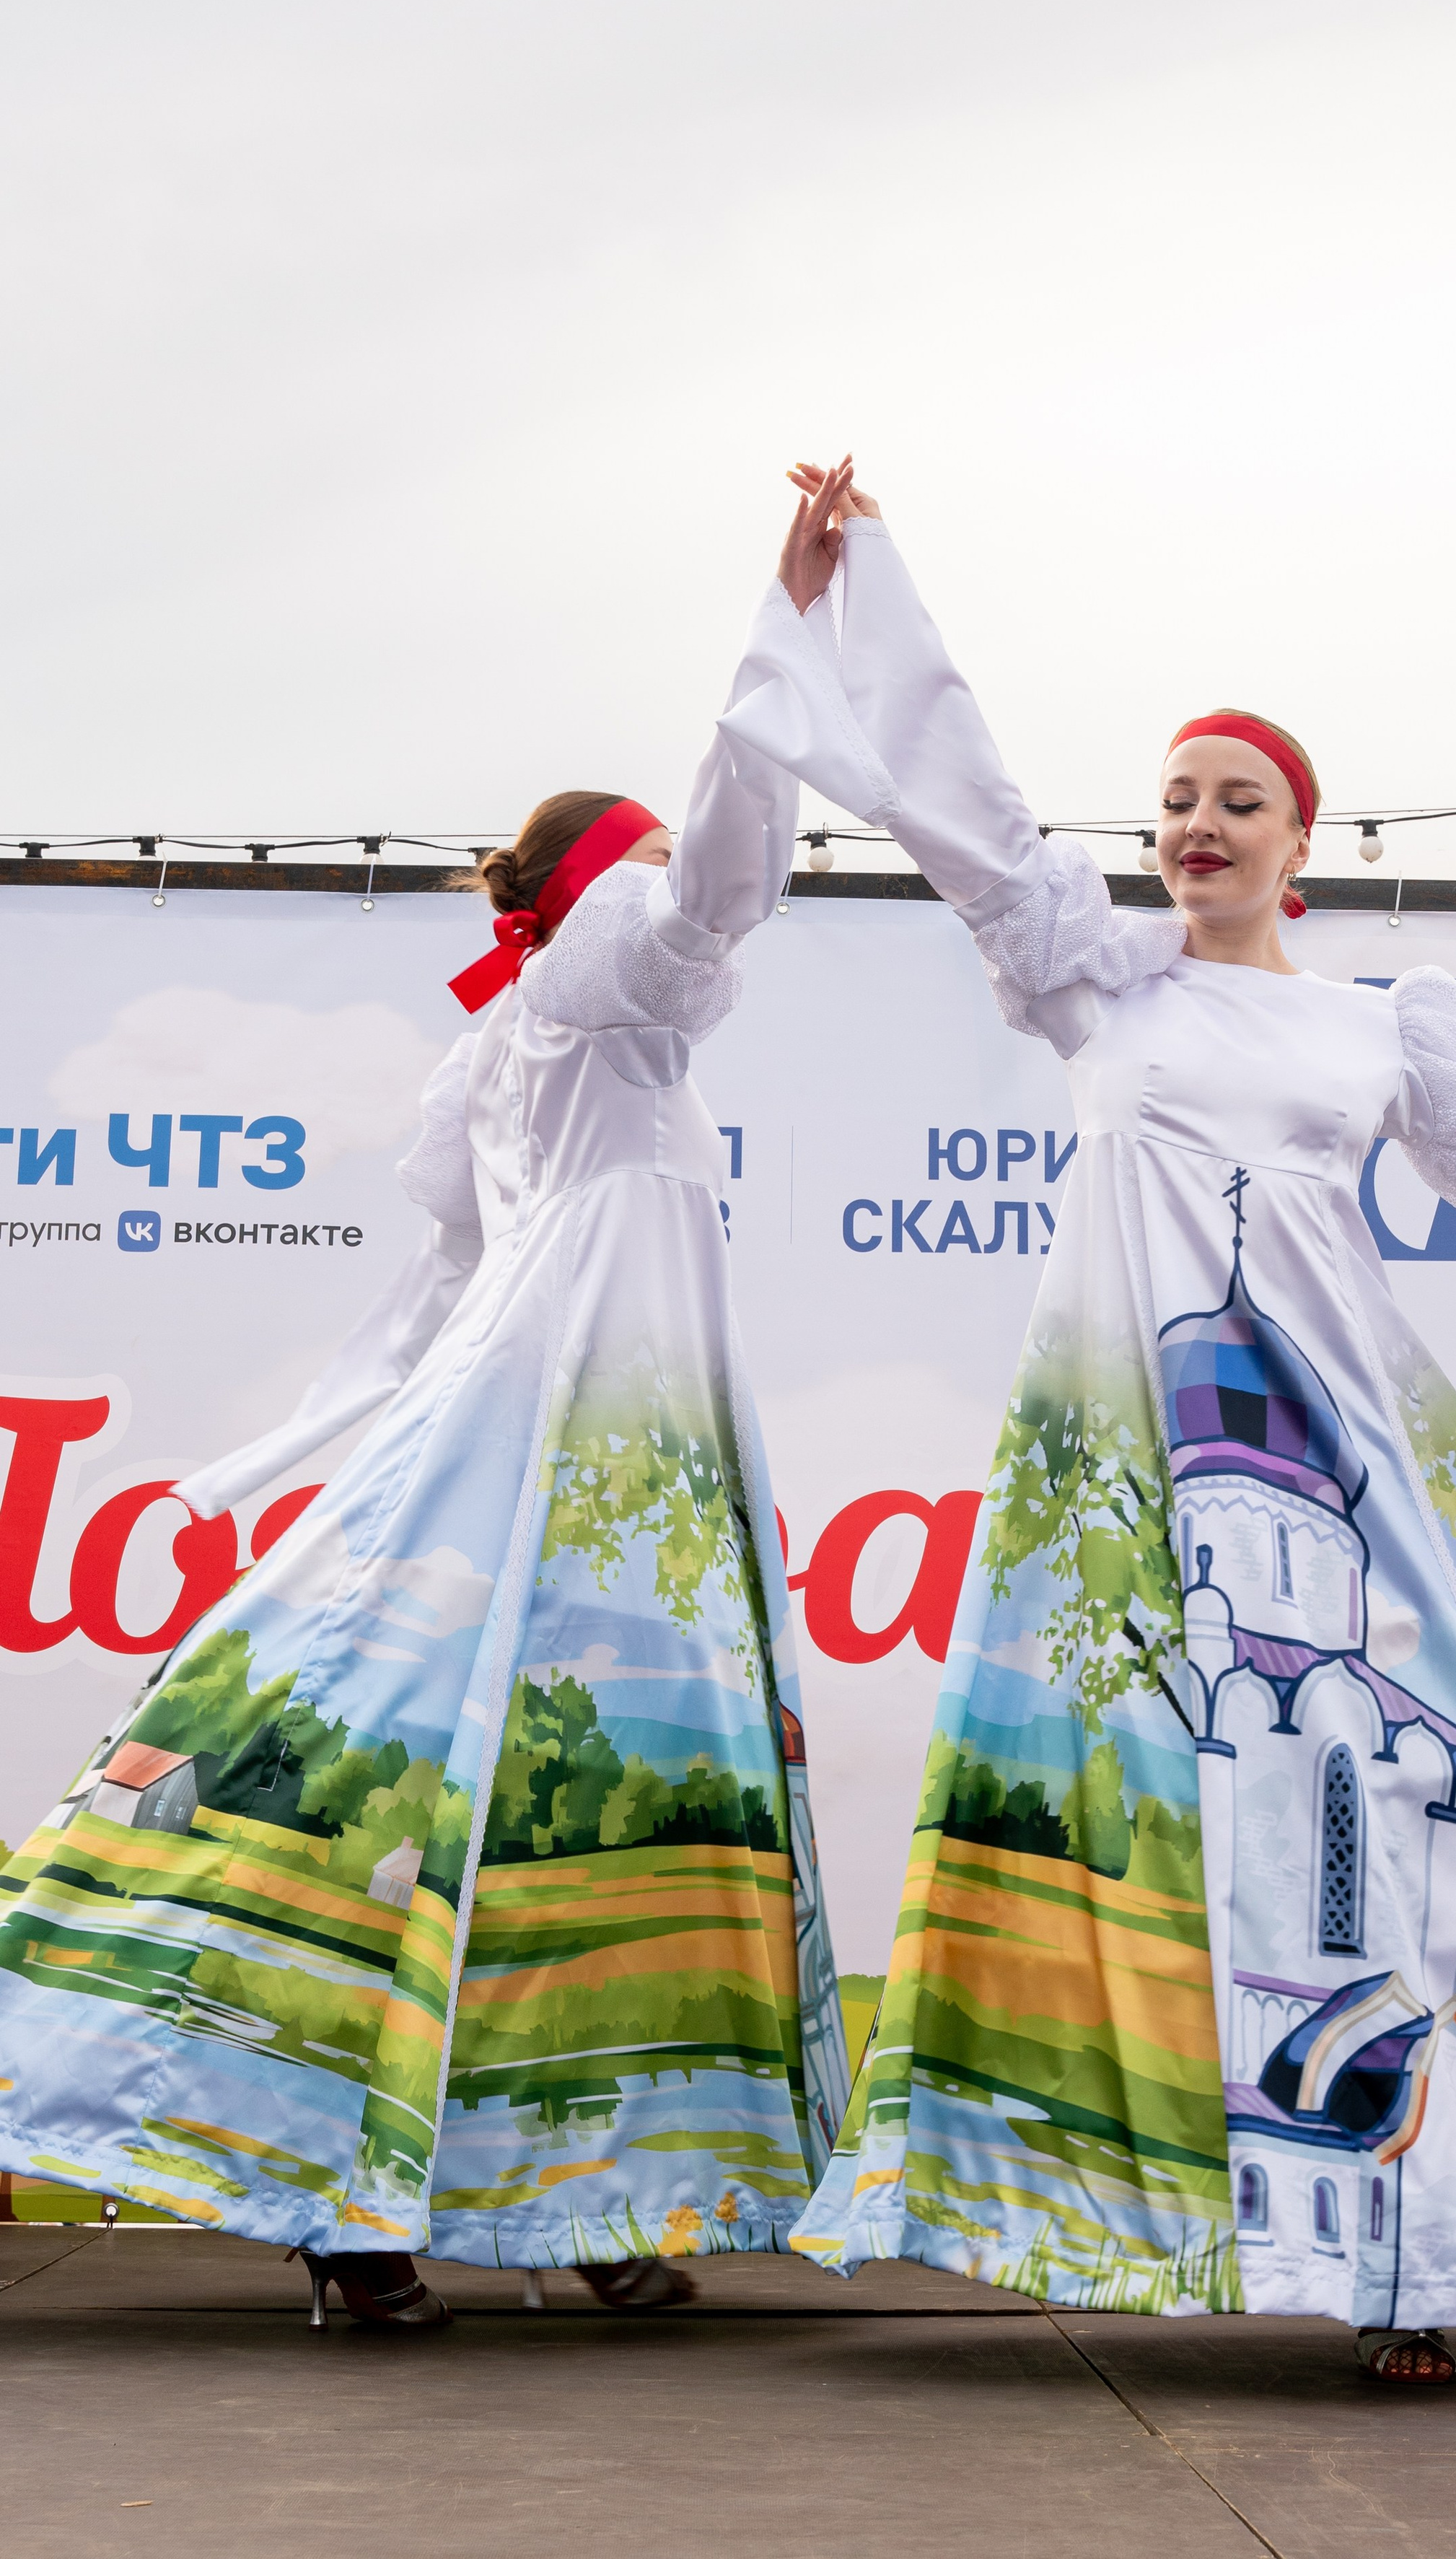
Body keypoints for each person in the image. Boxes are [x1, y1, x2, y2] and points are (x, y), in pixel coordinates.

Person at [726, 460, 1456, 2381]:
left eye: (1234, 799)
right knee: (1247, 1857)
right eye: (1172, 800)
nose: (1195, 825)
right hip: (1148, 1477)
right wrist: (846, 591)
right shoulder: (1098, 988)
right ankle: (1404, 2267)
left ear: (1296, 836)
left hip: (1358, 1445)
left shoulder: (1381, 1026)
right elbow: (967, 798)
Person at [0, 710, 850, 2332]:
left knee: (559, 1825)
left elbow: (441, 1288)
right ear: (603, 888)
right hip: (564, 1447)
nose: (684, 900)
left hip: (604, 1461)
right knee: (457, 1793)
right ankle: (375, 2207)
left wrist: (355, 1430)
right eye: (652, 867)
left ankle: (558, 2203)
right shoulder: (605, 1006)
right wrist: (779, 679)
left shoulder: (538, 1042)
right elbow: (711, 898)